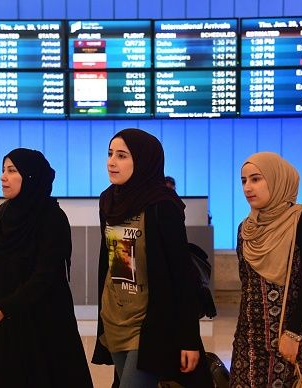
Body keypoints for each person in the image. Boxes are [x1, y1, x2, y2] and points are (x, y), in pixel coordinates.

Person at [92, 128, 213, 388]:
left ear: (144, 160)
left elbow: (181, 276)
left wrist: (189, 339)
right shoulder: (109, 201)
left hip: (150, 326)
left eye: (122, 155)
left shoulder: (162, 205)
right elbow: (112, 263)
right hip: (115, 320)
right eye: (110, 154)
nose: (112, 162)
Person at [0, 148, 93, 388]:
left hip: (42, 324)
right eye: (3, 170)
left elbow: (45, 277)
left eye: (12, 171)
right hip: (3, 322)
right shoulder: (5, 213)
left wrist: (4, 308)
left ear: (31, 177)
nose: (3, 177)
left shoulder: (52, 217)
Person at [230, 152, 302, 387]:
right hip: (250, 341)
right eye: (244, 181)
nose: (248, 188)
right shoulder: (246, 229)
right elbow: (248, 287)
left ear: (277, 179)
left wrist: (292, 333)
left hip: (293, 339)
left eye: (256, 179)